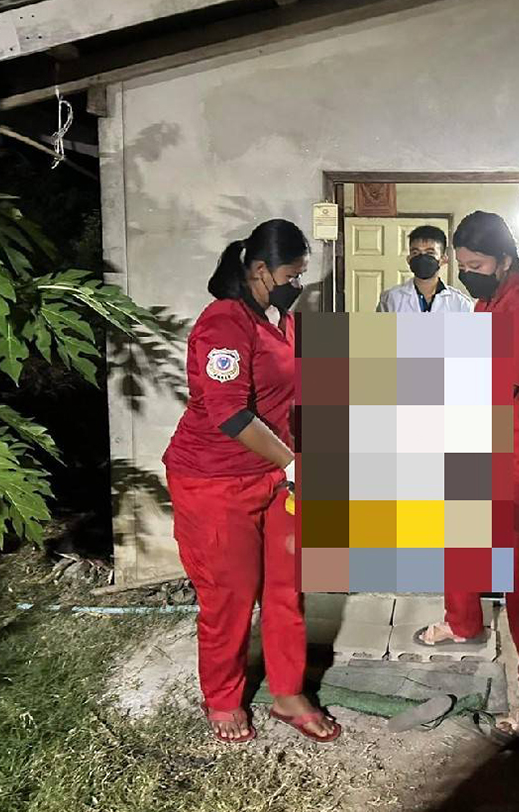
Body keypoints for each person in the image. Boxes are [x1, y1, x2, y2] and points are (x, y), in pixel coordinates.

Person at [163, 218, 340, 744]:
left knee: (288, 590)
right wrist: (293, 465)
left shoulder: (281, 321)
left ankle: (287, 693)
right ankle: (223, 697)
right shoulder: (223, 324)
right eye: (292, 275)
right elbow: (229, 413)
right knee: (230, 595)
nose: (297, 284)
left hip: (275, 479)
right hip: (214, 481)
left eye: (301, 275)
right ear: (260, 269)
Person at [414, 210, 519, 747]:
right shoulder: (495, 298)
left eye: (477, 265)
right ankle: (463, 621)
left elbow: (493, 381)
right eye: (461, 266)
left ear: (505, 258)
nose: (468, 275)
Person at [376, 224, 473, 313]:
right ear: (409, 259)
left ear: (443, 259)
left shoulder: (461, 304)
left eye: (430, 253)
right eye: (415, 253)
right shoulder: (390, 299)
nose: (422, 257)